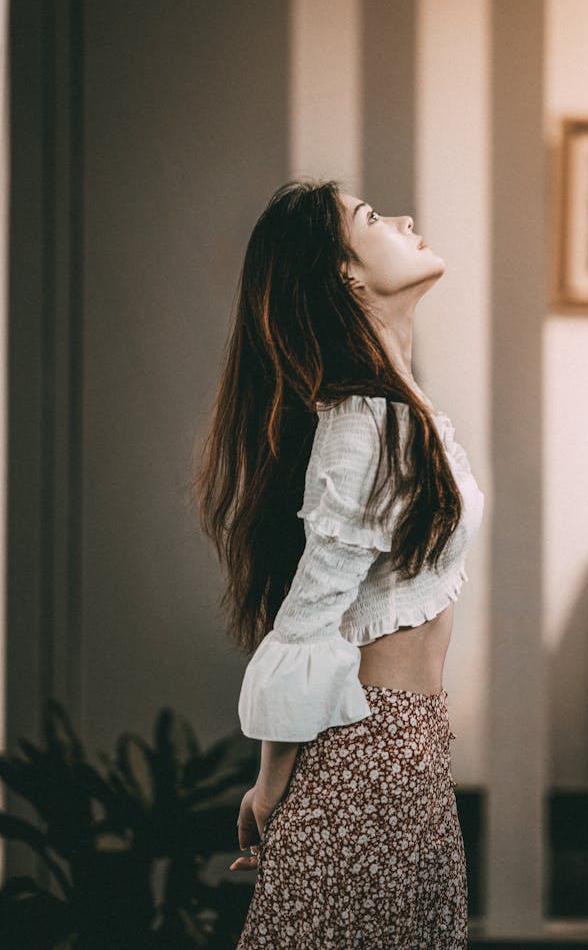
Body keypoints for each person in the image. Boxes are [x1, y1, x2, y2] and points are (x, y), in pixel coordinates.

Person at [193, 180, 485, 949]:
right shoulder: (363, 422)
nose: (405, 219)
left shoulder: (397, 409)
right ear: (347, 277)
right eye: (372, 218)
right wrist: (268, 783)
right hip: (367, 758)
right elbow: (308, 618)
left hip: (410, 753)